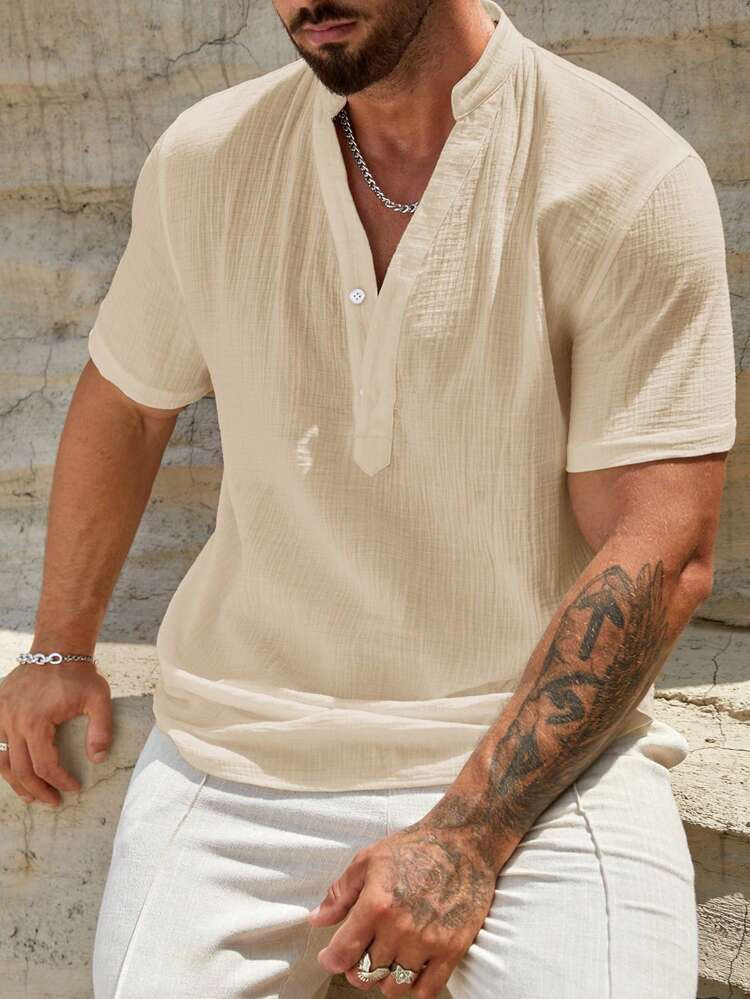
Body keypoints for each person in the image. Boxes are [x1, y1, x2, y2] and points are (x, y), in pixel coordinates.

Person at [0, 0, 735, 996]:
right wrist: (58, 646)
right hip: (235, 753)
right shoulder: (209, 159)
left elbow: (662, 547)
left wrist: (469, 832)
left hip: (541, 770)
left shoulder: (622, 174)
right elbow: (128, 403)